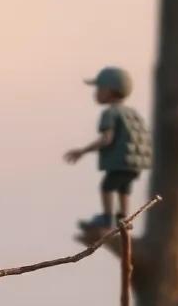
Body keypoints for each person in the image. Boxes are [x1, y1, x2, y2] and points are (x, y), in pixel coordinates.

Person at [63, 66, 152, 229]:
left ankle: (107, 218)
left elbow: (106, 139)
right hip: (134, 164)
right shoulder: (132, 113)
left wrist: (82, 151)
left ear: (109, 90)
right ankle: (124, 219)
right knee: (124, 189)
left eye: (99, 88)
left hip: (119, 163)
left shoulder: (110, 113)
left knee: (107, 187)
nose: (96, 93)